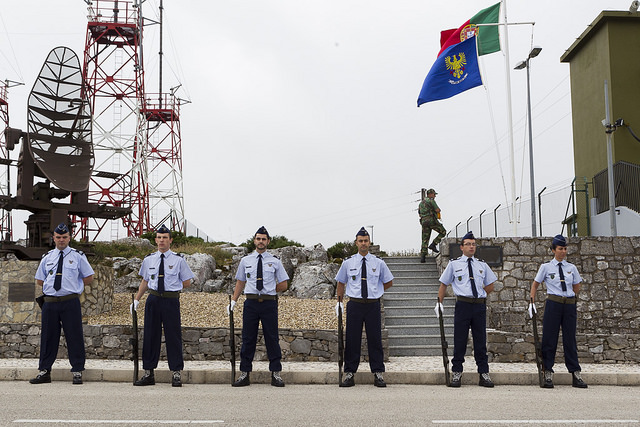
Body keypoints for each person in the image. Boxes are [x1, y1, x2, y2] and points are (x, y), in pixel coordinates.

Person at [29, 223, 95, 385]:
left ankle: (77, 371)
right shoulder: (47, 257)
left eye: (64, 237)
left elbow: (88, 277)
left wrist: (74, 286)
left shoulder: (78, 256)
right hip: (50, 302)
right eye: (58, 237)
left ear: (69, 238)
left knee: (74, 336)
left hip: (69, 302)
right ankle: (44, 371)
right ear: (54, 238)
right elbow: (39, 280)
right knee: (48, 338)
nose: (61, 240)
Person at [131, 224, 194, 387]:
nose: (161, 240)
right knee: (150, 336)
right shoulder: (149, 260)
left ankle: (176, 373)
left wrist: (173, 286)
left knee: (173, 336)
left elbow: (187, 282)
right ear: (155, 240)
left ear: (170, 240)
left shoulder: (179, 260)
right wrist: (137, 299)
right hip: (153, 299)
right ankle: (149, 373)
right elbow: (145, 281)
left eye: (165, 238)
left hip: (171, 300)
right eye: (159, 237)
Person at [228, 226, 289, 387]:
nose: (261, 241)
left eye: (263, 239)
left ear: (268, 241)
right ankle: (244, 373)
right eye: (258, 239)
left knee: (272, 338)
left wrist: (269, 289)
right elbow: (241, 281)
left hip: (269, 303)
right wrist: (234, 300)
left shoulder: (275, 261)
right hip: (251, 303)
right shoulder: (245, 261)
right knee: (248, 338)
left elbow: (283, 284)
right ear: (254, 241)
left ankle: (276, 373)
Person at [335, 227, 394, 387]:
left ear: (369, 242)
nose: (363, 243)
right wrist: (339, 302)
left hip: (372, 305)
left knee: (375, 339)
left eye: (366, 241)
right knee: (352, 339)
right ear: (356, 243)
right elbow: (341, 282)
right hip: (355, 304)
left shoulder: (378, 263)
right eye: (360, 241)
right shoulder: (348, 263)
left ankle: (378, 373)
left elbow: (389, 281)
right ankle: (349, 373)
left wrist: (377, 290)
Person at [436, 231, 496, 388]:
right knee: (460, 340)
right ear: (461, 247)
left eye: (473, 244)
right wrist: (439, 303)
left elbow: (490, 285)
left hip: (478, 306)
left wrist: (481, 295)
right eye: (468, 244)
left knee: (480, 341)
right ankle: (457, 372)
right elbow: (444, 284)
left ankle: (483, 373)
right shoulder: (454, 264)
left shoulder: (481, 265)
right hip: (463, 305)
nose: (471, 246)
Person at [529, 234, 588, 389]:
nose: (563, 251)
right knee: (549, 339)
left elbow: (576, 287)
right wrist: (532, 301)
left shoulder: (571, 268)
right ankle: (547, 371)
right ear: (553, 250)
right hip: (553, 304)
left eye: (565, 248)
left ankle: (575, 373)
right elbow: (535, 284)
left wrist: (571, 299)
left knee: (570, 340)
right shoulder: (546, 267)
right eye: (560, 249)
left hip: (568, 305)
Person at [418, 188, 446, 262]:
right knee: (443, 231)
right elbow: (437, 210)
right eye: (434, 194)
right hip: (431, 220)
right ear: (430, 194)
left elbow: (419, 213)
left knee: (425, 238)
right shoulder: (431, 200)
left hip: (423, 221)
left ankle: (423, 256)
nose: (435, 196)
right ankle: (433, 244)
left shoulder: (421, 203)